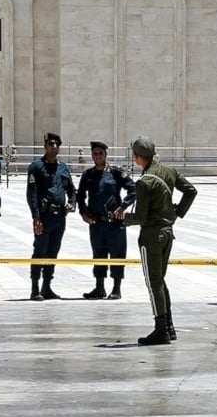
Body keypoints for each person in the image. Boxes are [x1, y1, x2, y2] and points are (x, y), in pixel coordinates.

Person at [115, 137, 197, 345]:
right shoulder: (169, 171)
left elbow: (141, 217)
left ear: (137, 156)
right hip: (167, 233)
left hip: (151, 236)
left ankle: (161, 330)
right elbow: (191, 191)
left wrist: (122, 219)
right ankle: (169, 327)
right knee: (160, 280)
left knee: (153, 282)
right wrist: (177, 212)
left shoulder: (144, 182)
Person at [77, 140, 136, 300]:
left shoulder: (115, 173)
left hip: (114, 223)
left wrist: (123, 207)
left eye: (101, 153)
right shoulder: (88, 175)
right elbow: (80, 195)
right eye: (95, 154)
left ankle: (116, 289)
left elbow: (133, 189)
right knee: (98, 254)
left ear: (105, 155)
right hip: (96, 223)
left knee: (117, 255)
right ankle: (99, 288)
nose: (98, 156)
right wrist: (83, 212)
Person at [26, 132, 77, 301]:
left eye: (56, 144)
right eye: (51, 144)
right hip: (44, 217)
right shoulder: (36, 167)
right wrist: (36, 217)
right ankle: (35, 288)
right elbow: (32, 194)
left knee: (53, 252)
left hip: (59, 217)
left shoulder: (63, 168)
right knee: (39, 251)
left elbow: (71, 190)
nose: (54, 147)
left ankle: (46, 286)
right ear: (45, 146)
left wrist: (72, 203)